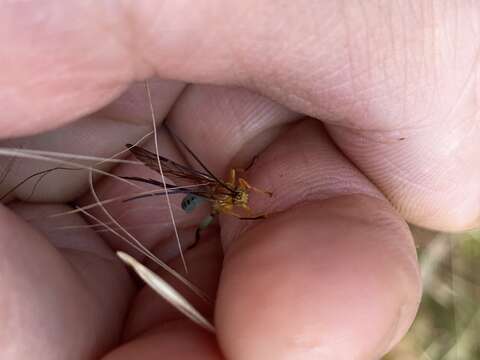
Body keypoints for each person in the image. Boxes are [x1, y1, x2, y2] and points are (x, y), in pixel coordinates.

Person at [1, 2, 478, 359]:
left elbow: (236, 196)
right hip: (189, 180)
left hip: (200, 190)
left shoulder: (240, 190)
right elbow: (232, 195)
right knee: (176, 183)